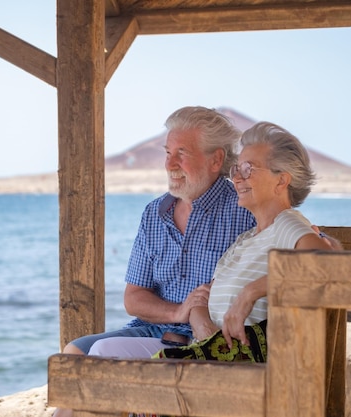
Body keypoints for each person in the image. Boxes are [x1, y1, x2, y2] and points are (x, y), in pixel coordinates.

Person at [89, 121, 336, 362]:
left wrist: (250, 293)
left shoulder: (286, 224)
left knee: (101, 359)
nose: (237, 178)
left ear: (281, 180)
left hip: (237, 369)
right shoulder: (246, 239)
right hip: (208, 356)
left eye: (248, 169)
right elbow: (203, 296)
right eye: (236, 169)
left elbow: (327, 267)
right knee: (96, 359)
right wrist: (202, 323)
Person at [60, 106, 256, 358]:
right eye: (167, 153)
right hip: (151, 330)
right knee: (72, 353)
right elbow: (134, 298)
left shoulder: (244, 210)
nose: (170, 164)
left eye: (181, 153)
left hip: (208, 339)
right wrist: (177, 312)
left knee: (101, 353)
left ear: (216, 160)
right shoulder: (154, 213)